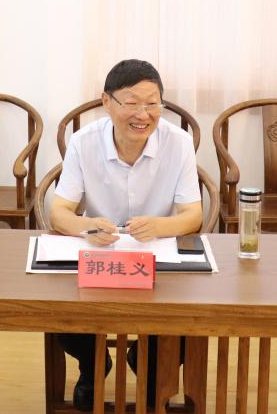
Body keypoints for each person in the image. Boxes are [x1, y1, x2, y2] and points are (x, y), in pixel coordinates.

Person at [49, 59, 203, 411]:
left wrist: (159, 226)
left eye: (153, 104)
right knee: (60, 308)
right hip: (100, 256)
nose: (143, 115)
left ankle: (148, 365)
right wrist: (87, 227)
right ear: (107, 102)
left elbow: (193, 215)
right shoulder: (84, 142)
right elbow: (59, 212)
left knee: (187, 318)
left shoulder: (178, 142)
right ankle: (92, 365)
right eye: (132, 103)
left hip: (158, 257)